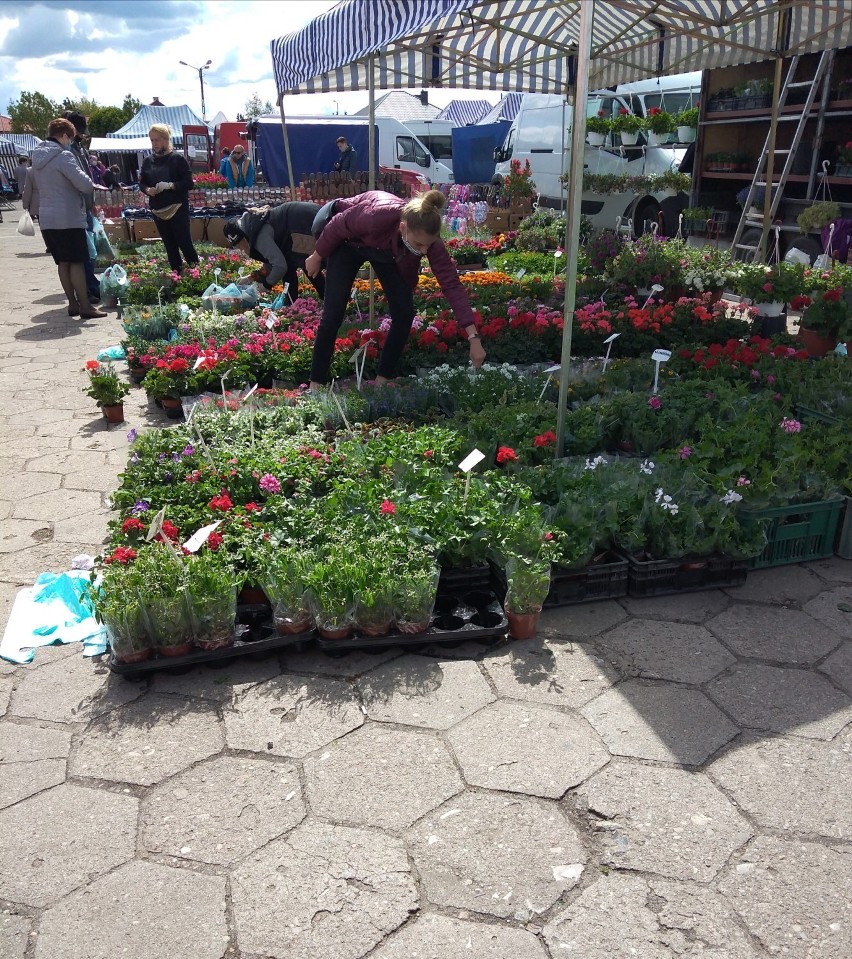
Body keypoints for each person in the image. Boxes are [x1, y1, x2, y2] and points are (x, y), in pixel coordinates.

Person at [305, 189, 485, 388]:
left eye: (428, 246)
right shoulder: (375, 216)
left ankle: (382, 381)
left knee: (404, 313)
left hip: (387, 251)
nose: (424, 251)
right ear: (403, 227)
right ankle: (316, 383)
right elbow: (338, 224)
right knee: (333, 313)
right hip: (348, 243)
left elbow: (451, 283)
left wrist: (473, 337)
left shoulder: (427, 238)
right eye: (419, 244)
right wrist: (317, 256)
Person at [22, 118, 107, 319]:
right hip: (68, 217)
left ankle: (72, 304)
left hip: (48, 218)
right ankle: (85, 306)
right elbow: (84, 184)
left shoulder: (37, 159)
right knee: (76, 262)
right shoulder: (64, 156)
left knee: (63, 263)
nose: (70, 141)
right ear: (65, 136)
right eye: (70, 137)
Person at [223, 202, 326, 302]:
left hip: (305, 224)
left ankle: (330, 301)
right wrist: (251, 277)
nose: (240, 248)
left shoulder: (258, 236)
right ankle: (297, 303)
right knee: (304, 263)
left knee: (312, 262)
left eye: (239, 243)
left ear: (244, 237)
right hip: (303, 222)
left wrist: (266, 285)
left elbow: (280, 266)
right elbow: (273, 258)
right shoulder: (252, 225)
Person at [139, 124, 199, 273]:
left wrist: (170, 185)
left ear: (166, 139)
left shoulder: (178, 159)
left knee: (184, 243)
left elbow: (189, 183)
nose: (154, 144)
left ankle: (198, 275)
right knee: (170, 246)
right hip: (158, 209)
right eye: (152, 140)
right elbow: (142, 182)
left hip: (177, 208)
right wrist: (148, 190)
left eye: (157, 140)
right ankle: (177, 277)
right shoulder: (147, 162)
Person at [62, 110, 102, 303]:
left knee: (90, 250)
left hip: (85, 205)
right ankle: (87, 288)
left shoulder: (78, 148)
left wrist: (92, 203)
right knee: (85, 252)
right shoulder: (67, 150)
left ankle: (90, 285)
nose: (81, 135)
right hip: (75, 208)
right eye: (79, 131)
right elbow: (79, 180)